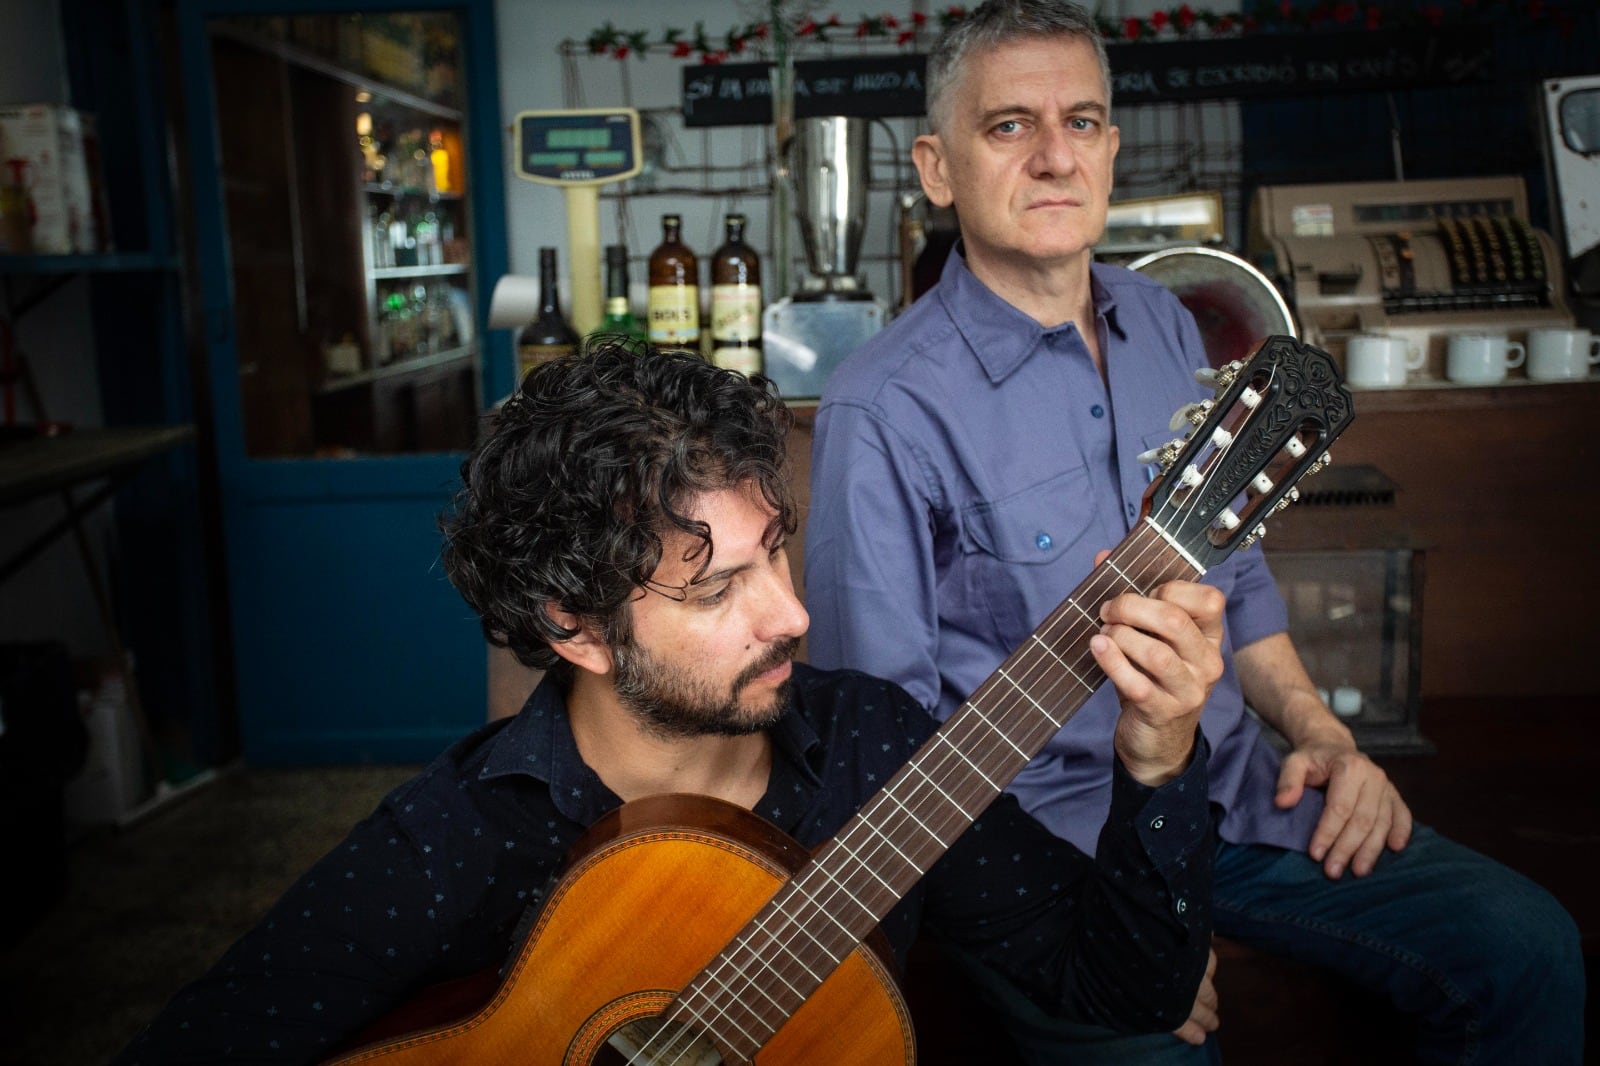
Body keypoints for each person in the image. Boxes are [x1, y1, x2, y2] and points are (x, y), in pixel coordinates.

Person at [803, 2, 1585, 1063]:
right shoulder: (882, 407)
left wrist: (1318, 731)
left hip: (1234, 799)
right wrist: (1110, 941)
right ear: (937, 168)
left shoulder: (1165, 322)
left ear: (1111, 150)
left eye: (1081, 122)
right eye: (1009, 126)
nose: (1054, 156)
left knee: (1527, 946)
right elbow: (879, 744)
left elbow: (1236, 568)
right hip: (1052, 862)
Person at [114, 343, 1228, 1064]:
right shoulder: (460, 837)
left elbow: (1123, 986)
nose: (792, 614)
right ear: (576, 628)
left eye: (774, 552)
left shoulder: (874, 749)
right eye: (717, 588)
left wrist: (1159, 756)